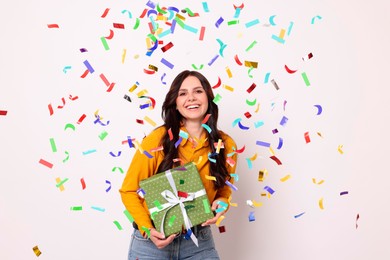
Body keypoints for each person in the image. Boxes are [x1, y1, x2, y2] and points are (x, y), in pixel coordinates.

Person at [119, 70, 237, 260]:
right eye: (183, 93)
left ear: (208, 97)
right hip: (151, 243)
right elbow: (129, 190)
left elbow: (225, 190)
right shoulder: (157, 139)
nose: (191, 98)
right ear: (175, 101)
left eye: (198, 91)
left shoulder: (226, 144)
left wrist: (222, 204)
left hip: (199, 241)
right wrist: (148, 229)